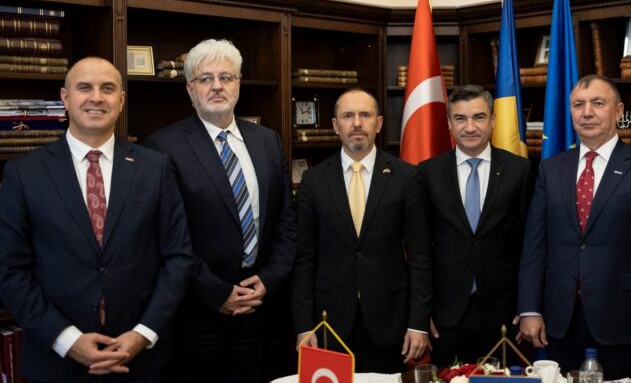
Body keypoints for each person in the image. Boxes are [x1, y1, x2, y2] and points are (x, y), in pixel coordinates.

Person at [0, 57, 193, 382]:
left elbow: (178, 258)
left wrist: (144, 333)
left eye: (107, 88)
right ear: (65, 98)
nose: (96, 97)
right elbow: (9, 270)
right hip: (56, 362)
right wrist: (67, 340)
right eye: (84, 87)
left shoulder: (155, 168)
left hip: (143, 361)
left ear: (121, 100)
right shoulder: (23, 174)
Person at [145, 39, 296, 382]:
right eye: (205, 79)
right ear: (190, 89)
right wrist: (217, 292)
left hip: (261, 305)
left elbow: (286, 221)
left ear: (238, 84)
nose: (217, 86)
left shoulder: (267, 140)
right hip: (198, 311)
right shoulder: (163, 147)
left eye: (226, 77)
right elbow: (170, 236)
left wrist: (269, 279)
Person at [518, 74, 631, 380]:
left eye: (598, 103)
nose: (587, 112)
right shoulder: (551, 168)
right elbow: (535, 244)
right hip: (560, 321)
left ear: (619, 111)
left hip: (623, 322)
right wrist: (530, 309)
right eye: (578, 105)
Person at [292, 88, 431, 373]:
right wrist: (304, 327)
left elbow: (420, 256)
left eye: (365, 115)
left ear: (378, 123)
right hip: (328, 323)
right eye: (348, 116)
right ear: (335, 125)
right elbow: (304, 259)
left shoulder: (407, 177)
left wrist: (418, 324)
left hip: (390, 320)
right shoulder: (313, 181)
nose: (357, 123)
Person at [418, 85, 532, 366]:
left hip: (504, 313)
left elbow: (530, 244)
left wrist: (528, 305)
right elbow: (420, 249)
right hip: (446, 314)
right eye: (460, 118)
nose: (470, 127)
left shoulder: (520, 170)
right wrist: (421, 312)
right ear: (449, 123)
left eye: (479, 117)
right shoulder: (427, 172)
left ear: (493, 120)